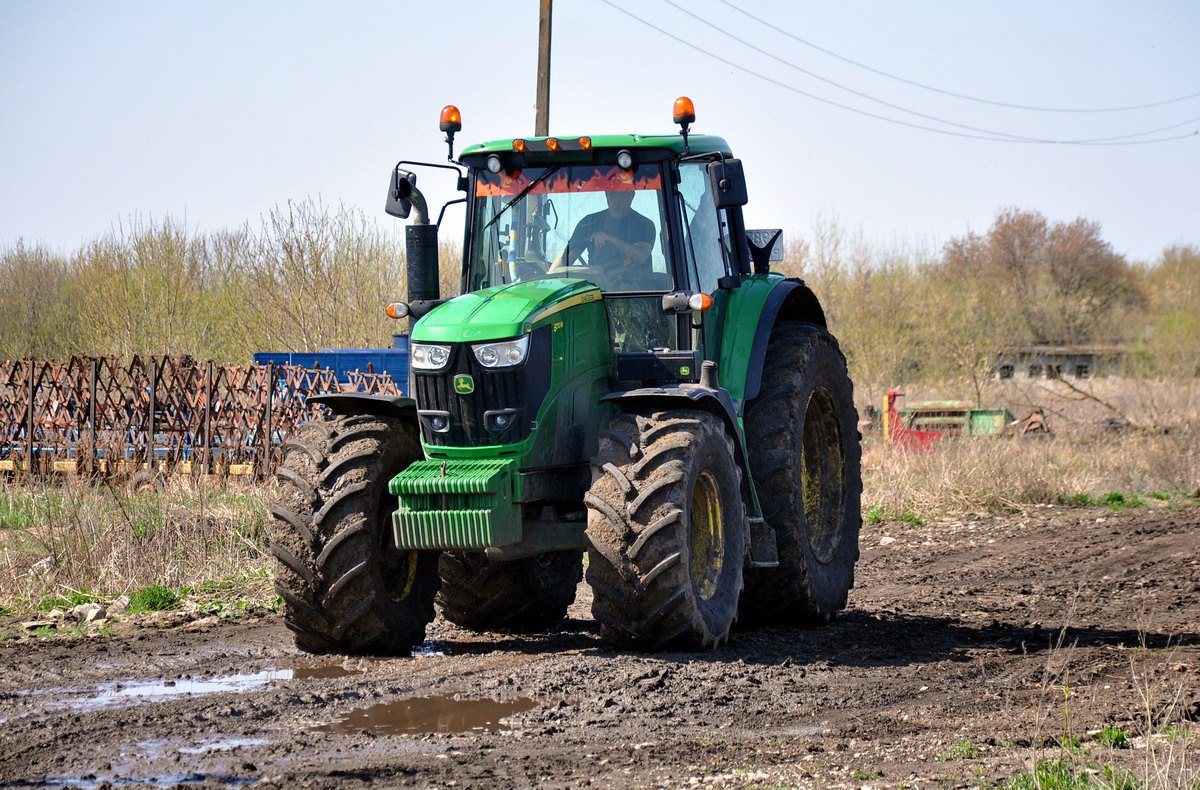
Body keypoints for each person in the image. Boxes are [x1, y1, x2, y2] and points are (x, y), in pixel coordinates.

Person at [550, 190, 655, 279]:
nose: (618, 199)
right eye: (613, 193)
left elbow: (641, 255)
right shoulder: (589, 223)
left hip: (636, 290)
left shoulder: (644, 224)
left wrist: (609, 239)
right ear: (606, 195)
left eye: (623, 194)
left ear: (632, 195)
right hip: (597, 287)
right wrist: (549, 278)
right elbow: (566, 258)